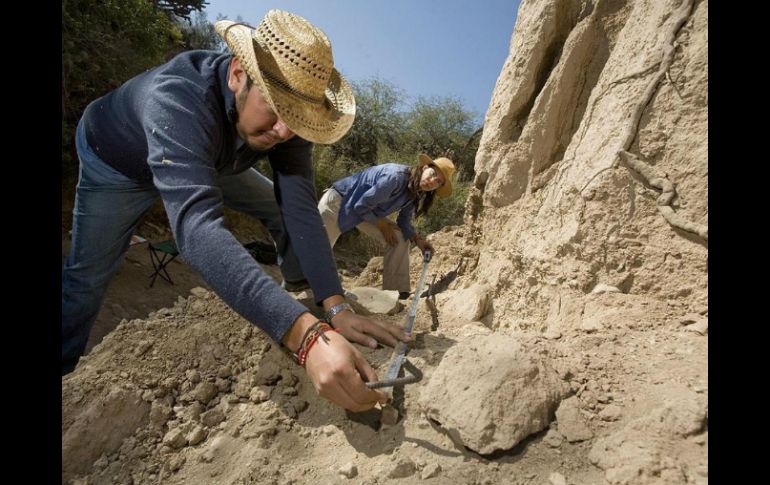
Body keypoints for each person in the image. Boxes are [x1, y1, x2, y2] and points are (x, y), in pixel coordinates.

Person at [61, 9, 412, 412]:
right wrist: (304, 337)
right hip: (118, 162)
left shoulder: (289, 124)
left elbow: (299, 207)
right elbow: (195, 228)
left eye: (295, 120)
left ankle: (301, 293)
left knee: (279, 210)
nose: (284, 132)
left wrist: (334, 305)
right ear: (236, 74)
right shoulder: (178, 96)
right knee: (86, 277)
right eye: (275, 109)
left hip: (209, 159)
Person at [318, 154, 456, 298]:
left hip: (364, 211)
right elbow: (361, 204)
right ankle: (318, 293)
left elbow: (403, 220)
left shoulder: (416, 190)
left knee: (400, 237)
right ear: (425, 167)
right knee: (319, 252)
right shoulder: (395, 177)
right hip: (338, 202)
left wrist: (417, 240)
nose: (432, 181)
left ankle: (394, 293)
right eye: (433, 174)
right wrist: (383, 225)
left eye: (438, 181)